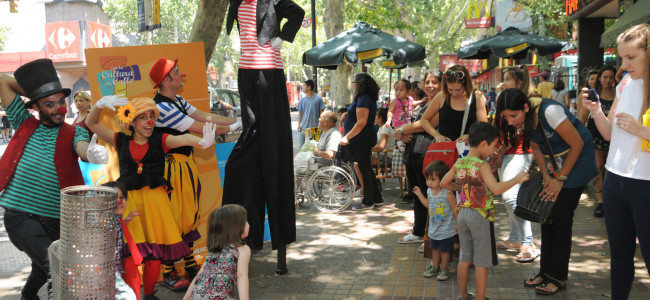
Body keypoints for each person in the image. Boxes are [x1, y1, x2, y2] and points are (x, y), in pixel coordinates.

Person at [86, 96, 217, 299]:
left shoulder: (160, 139)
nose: (149, 122)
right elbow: (91, 123)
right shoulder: (120, 140)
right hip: (130, 204)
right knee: (132, 256)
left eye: (152, 117)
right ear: (132, 121)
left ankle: (148, 295)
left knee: (155, 257)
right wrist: (98, 105)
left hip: (156, 204)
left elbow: (182, 138)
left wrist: (201, 141)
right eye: (143, 117)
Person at [0, 58, 109, 300]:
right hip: (20, 215)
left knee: (42, 269)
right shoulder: (23, 122)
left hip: (57, 218)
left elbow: (81, 146)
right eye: (50, 104)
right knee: (55, 265)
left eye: (61, 101)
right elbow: (3, 81)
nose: (59, 108)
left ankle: (28, 297)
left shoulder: (74, 131)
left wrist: (90, 152)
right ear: (36, 108)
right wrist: (40, 92)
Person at [148, 57, 241, 290]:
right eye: (177, 72)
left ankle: (189, 265)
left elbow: (205, 116)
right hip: (169, 169)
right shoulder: (161, 107)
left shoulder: (177, 100)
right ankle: (170, 271)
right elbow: (197, 127)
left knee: (188, 215)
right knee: (173, 216)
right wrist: (233, 127)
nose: (182, 75)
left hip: (185, 165)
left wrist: (238, 120)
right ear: (166, 79)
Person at [496, 88, 597, 296]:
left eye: (513, 116)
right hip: (557, 164)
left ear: (525, 107)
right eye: (505, 117)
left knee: (560, 218)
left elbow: (577, 143)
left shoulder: (549, 111)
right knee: (547, 217)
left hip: (578, 160)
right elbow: (536, 146)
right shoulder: (525, 117)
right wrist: (547, 177)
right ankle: (545, 272)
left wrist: (560, 179)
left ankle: (558, 276)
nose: (511, 121)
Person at [223, 0, 304, 253]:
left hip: (269, 69)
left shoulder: (273, 1)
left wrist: (282, 37)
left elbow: (298, 13)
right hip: (245, 70)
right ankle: (248, 234)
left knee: (272, 145)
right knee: (249, 142)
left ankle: (278, 236)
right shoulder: (235, 2)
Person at [583, 24, 650, 300]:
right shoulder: (625, 84)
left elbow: (632, 130)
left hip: (645, 184)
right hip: (615, 179)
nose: (624, 64)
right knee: (619, 255)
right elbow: (609, 132)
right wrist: (597, 111)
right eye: (622, 57)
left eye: (631, 57)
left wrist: (641, 130)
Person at [441, 122, 529, 300]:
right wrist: (517, 179)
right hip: (480, 215)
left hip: (463, 214)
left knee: (465, 257)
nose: (495, 149)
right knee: (481, 261)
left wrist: (460, 189)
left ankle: (463, 295)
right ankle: (480, 298)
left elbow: (443, 183)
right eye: (494, 145)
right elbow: (496, 189)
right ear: (483, 144)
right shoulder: (482, 165)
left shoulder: (461, 161)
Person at [493, 66, 538, 262]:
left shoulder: (528, 102)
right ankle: (514, 238)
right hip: (506, 154)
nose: (504, 82)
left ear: (519, 82)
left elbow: (520, 132)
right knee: (508, 197)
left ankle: (528, 242)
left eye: (508, 78)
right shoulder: (504, 98)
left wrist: (499, 151)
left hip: (520, 153)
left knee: (510, 196)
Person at [395, 70, 443, 249]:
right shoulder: (423, 101)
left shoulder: (442, 102)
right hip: (412, 155)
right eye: (427, 82)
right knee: (417, 193)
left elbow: (429, 123)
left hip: (428, 155)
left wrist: (402, 131)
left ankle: (431, 235)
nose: (430, 85)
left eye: (435, 82)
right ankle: (418, 230)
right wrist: (401, 134)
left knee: (428, 193)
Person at [183, 204, 251, 300]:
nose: (248, 223)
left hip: (197, 296)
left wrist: (185, 298)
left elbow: (199, 276)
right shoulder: (242, 249)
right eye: (245, 221)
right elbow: (241, 277)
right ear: (236, 227)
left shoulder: (214, 251)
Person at [578, 65, 617, 218]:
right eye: (605, 77)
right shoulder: (594, 95)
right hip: (595, 136)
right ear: (600, 78)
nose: (608, 80)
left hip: (615, 137)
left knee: (612, 169)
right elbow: (582, 117)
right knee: (598, 167)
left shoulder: (619, 93)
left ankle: (611, 199)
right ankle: (600, 201)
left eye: (611, 77)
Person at [341, 73, 384, 210]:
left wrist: (347, 137)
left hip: (362, 138)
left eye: (354, 82)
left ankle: (368, 201)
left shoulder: (364, 99)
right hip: (363, 137)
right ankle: (376, 198)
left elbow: (361, 122)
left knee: (365, 168)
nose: (353, 85)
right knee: (367, 168)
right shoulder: (365, 98)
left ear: (359, 84)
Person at [420, 64, 488, 144]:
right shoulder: (442, 96)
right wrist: (437, 135)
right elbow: (424, 120)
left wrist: (470, 137)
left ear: (466, 85)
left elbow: (484, 127)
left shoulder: (477, 98)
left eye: (458, 90)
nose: (454, 93)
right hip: (445, 151)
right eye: (450, 89)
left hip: (469, 151)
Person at [416, 161, 457, 281]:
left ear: (443, 179)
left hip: (446, 229)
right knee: (435, 249)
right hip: (434, 229)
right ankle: (435, 266)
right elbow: (429, 205)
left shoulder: (447, 192)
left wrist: (458, 224)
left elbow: (455, 208)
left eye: (433, 179)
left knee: (444, 251)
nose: (429, 182)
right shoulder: (429, 191)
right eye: (427, 179)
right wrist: (419, 194)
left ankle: (444, 268)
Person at [102, 181, 139, 300]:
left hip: (114, 271)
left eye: (122, 197)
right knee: (128, 297)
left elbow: (117, 224)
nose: (119, 201)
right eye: (113, 198)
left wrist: (126, 219)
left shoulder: (115, 219)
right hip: (105, 273)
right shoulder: (105, 222)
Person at [297, 79, 325, 147]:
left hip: (314, 129)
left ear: (309, 87)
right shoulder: (302, 100)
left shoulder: (318, 99)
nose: (302, 88)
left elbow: (322, 114)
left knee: (313, 151)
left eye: (304, 86)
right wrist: (299, 125)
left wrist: (321, 126)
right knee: (301, 149)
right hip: (303, 128)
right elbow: (300, 113)